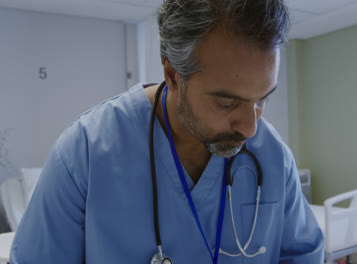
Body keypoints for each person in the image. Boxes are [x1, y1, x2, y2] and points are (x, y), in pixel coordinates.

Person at [10, 0, 324, 263]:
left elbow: (302, 255)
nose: (251, 127)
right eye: (228, 102)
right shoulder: (84, 155)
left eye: (263, 99)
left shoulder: (272, 156)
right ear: (173, 74)